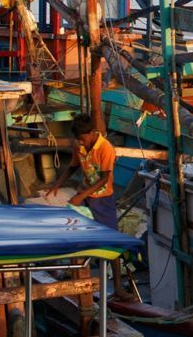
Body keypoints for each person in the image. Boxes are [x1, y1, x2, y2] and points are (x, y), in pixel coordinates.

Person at [37, 114, 133, 299]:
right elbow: (73, 167)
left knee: (110, 240)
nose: (80, 142)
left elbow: (105, 178)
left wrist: (81, 195)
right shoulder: (79, 146)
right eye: (78, 139)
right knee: (72, 229)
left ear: (92, 133)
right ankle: (73, 273)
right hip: (85, 193)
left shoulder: (105, 149)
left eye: (82, 138)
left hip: (103, 197)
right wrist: (57, 184)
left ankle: (119, 288)